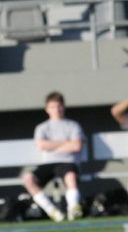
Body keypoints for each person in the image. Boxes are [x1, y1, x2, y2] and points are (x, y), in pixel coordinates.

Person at [22, 91, 85, 221]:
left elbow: (76, 146)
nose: (56, 110)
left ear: (63, 107)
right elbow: (41, 145)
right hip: (47, 164)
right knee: (28, 179)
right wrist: (65, 142)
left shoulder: (73, 125)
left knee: (71, 177)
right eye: (52, 107)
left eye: (59, 106)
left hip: (68, 162)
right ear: (47, 109)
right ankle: (52, 211)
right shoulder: (42, 127)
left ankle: (73, 210)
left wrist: (52, 145)